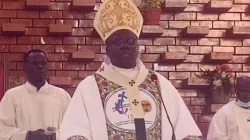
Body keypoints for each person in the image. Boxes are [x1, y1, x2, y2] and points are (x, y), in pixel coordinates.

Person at [60, 0, 202, 139]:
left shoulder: (158, 83)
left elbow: (186, 130)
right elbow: (75, 132)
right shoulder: (89, 87)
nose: (125, 46)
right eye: (117, 42)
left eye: (130, 41)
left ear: (137, 47)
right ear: (107, 50)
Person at [0, 49, 71, 140]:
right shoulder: (12, 96)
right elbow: (3, 130)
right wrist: (28, 135)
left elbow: (73, 129)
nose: (40, 66)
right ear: (25, 67)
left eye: (43, 63)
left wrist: (54, 136)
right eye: (34, 63)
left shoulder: (62, 96)